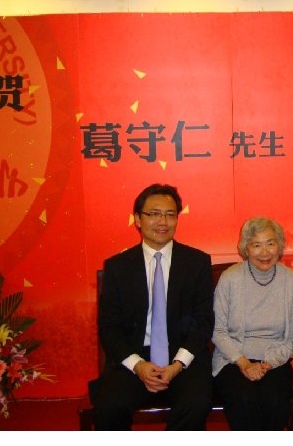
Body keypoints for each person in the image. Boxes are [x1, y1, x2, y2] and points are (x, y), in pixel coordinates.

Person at [92, 183, 214, 430]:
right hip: (134, 356)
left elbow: (203, 322)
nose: (163, 222)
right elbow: (109, 327)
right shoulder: (118, 267)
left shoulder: (197, 262)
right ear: (138, 219)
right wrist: (138, 365)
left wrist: (177, 365)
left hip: (183, 358)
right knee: (109, 405)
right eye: (154, 214)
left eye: (170, 214)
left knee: (196, 403)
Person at [212, 216, 293, 430]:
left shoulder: (291, 280)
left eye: (270, 243)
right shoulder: (230, 278)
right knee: (244, 399)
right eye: (256, 245)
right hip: (233, 359)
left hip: (275, 360)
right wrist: (244, 363)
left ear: (280, 245)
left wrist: (268, 363)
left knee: (274, 401)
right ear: (246, 248)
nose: (265, 252)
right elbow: (218, 331)